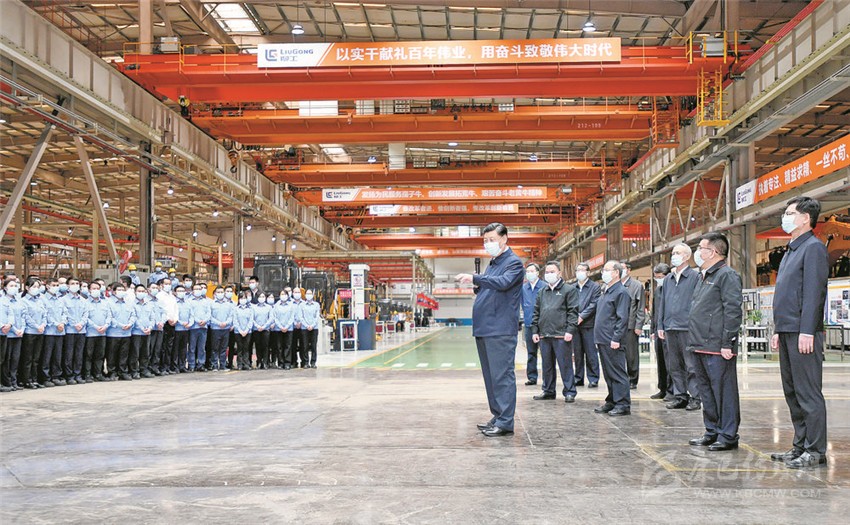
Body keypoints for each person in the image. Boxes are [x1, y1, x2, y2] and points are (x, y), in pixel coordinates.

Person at [770, 196, 829, 468]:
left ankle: (815, 450)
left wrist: (808, 331)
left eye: (790, 213)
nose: (785, 217)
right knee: (792, 392)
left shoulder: (813, 248)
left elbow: (814, 293)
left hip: (803, 333)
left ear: (806, 218)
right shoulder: (791, 250)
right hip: (787, 329)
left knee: (808, 393)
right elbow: (785, 294)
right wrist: (778, 328)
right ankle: (800, 445)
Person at [455, 222, 524, 437]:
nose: (488, 244)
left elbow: (503, 283)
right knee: (491, 377)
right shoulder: (493, 263)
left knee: (502, 376)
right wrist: (480, 286)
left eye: (492, 239)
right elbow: (492, 286)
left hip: (500, 329)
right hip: (485, 328)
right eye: (485, 240)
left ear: (504, 238)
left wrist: (475, 278)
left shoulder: (513, 263)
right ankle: (498, 415)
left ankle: (505, 422)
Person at [687, 232, 743, 452]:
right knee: (706, 391)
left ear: (713, 252)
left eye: (701, 248)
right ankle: (711, 430)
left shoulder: (726, 275)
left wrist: (728, 342)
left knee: (723, 392)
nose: (698, 252)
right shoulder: (703, 276)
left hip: (717, 346)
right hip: (699, 343)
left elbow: (732, 310)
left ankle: (727, 435)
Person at [658, 243, 702, 411]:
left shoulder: (695, 277)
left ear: (687, 256)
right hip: (670, 327)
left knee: (691, 365)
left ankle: (695, 397)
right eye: (673, 253)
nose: (674, 256)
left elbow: (697, 302)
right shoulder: (668, 279)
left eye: (677, 253)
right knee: (674, 365)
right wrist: (660, 324)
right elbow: (663, 303)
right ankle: (680, 396)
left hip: (686, 327)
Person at [530, 261, 579, 403]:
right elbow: (536, 312)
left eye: (552, 272)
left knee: (565, 364)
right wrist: (535, 331)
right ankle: (548, 390)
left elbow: (573, 312)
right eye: (547, 272)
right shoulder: (542, 291)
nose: (549, 274)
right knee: (547, 365)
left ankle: (570, 391)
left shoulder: (568, 290)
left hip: (561, 335)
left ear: (559, 273)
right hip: (544, 334)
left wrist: (570, 330)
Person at [593, 261, 632, 416]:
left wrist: (616, 338)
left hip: (612, 340)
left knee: (617, 372)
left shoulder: (621, 292)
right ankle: (612, 400)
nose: (603, 273)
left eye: (607, 270)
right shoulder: (606, 290)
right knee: (608, 373)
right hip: (603, 338)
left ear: (616, 272)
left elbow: (622, 318)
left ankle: (623, 404)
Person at [573, 262, 601, 388]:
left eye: (582, 270)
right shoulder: (572, 287)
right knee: (577, 353)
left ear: (588, 273)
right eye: (578, 270)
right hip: (575, 325)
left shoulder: (594, 287)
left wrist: (582, 316)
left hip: (589, 324)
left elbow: (594, 304)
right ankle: (578, 377)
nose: (580, 272)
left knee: (591, 352)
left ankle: (593, 378)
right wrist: (574, 317)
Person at [619, 261, 646, 389]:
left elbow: (640, 307)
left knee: (631, 355)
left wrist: (638, 325)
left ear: (629, 270)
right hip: (617, 325)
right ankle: (620, 378)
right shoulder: (614, 285)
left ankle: (632, 379)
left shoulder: (636, 286)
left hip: (630, 325)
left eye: (622, 268)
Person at [650, 263, 673, 401]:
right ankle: (662, 388)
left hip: (668, 330)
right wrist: (653, 329)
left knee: (671, 362)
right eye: (656, 277)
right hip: (658, 331)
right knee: (661, 361)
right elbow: (654, 312)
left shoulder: (672, 289)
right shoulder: (658, 290)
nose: (658, 280)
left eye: (660, 277)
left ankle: (672, 390)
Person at [520, 262, 545, 386]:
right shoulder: (523, 288)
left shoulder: (544, 286)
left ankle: (547, 378)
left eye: (532, 271)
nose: (529, 273)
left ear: (537, 273)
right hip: (529, 325)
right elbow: (523, 304)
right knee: (531, 353)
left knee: (546, 354)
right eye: (528, 271)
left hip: (543, 326)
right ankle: (532, 377)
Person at [106, 282, 136, 381]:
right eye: (119, 290)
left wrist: (130, 324)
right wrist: (120, 325)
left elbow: (133, 315)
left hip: (126, 333)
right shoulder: (108, 302)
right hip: (113, 333)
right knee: (112, 354)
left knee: (124, 354)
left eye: (123, 290)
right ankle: (112, 372)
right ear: (114, 292)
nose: (121, 292)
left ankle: (123, 371)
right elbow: (109, 316)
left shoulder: (128, 302)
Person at [21, 277, 47, 389]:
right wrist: (37, 326)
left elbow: (45, 314)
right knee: (28, 358)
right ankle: (26, 380)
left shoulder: (39, 301)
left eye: (38, 287)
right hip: (29, 332)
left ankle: (34, 379)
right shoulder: (23, 301)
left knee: (36, 358)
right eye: (34, 286)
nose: (36, 289)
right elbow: (26, 316)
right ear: (27, 288)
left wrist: (43, 325)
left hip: (40, 332)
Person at [62, 277, 88, 385]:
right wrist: (74, 324)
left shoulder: (83, 300)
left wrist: (81, 323)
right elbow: (65, 314)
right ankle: (69, 375)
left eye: (77, 283)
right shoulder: (63, 300)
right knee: (69, 354)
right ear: (68, 286)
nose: (75, 285)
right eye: (72, 283)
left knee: (79, 354)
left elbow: (86, 314)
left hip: (81, 331)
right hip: (69, 330)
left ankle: (78, 374)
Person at [42, 278, 68, 386]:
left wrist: (62, 323)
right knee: (47, 356)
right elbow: (46, 314)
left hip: (60, 331)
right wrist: (56, 324)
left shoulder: (60, 299)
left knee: (58, 355)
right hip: (49, 331)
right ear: (47, 286)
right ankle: (45, 377)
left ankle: (56, 376)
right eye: (54, 285)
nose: (56, 287)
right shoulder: (43, 299)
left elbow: (65, 313)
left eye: (57, 285)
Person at [84, 281, 110, 382]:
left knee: (100, 355)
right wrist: (95, 326)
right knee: (88, 355)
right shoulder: (85, 302)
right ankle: (87, 374)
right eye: (93, 289)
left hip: (102, 333)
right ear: (89, 290)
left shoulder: (105, 303)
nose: (96, 290)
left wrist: (105, 326)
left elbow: (109, 316)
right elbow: (85, 317)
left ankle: (98, 374)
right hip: (90, 333)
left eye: (97, 289)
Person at [1, 278, 25, 391]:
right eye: (11, 286)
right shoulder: (3, 301)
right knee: (6, 359)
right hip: (7, 333)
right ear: (5, 288)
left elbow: (22, 316)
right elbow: (6, 317)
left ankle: (14, 381)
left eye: (15, 285)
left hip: (18, 334)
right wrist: (13, 328)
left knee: (15, 359)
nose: (14, 288)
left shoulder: (19, 301)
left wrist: (21, 329)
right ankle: (7, 382)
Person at [209, 285, 234, 371]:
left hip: (225, 329)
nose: (220, 294)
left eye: (222, 292)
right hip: (215, 329)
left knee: (224, 348)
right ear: (215, 293)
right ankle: (214, 365)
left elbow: (231, 316)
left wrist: (226, 323)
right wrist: (218, 323)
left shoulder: (228, 304)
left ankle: (223, 365)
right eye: (218, 292)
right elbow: (210, 316)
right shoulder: (211, 304)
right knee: (215, 348)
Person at [188, 282, 211, 372]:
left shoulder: (205, 301)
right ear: (192, 291)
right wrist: (198, 321)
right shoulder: (189, 301)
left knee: (202, 347)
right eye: (196, 289)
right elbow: (191, 313)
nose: (198, 291)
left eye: (199, 289)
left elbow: (208, 313)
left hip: (203, 327)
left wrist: (205, 321)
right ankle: (191, 365)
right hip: (193, 327)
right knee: (192, 347)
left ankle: (201, 364)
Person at [146, 282, 166, 376]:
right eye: (153, 288)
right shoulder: (145, 301)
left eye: (156, 288)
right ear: (148, 289)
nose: (155, 290)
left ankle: (155, 367)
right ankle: (147, 368)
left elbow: (164, 313)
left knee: (157, 349)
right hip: (150, 329)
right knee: (149, 349)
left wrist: (162, 322)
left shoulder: (160, 301)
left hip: (159, 328)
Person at [273, 289, 295, 370]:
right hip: (278, 329)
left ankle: (287, 363)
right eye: (282, 294)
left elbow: (292, 317)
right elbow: (275, 317)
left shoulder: (291, 305)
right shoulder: (276, 305)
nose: (283, 296)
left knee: (288, 346)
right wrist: (280, 326)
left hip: (288, 329)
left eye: (285, 294)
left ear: (287, 296)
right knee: (279, 346)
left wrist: (287, 326)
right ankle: (280, 363)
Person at [300, 289, 322, 368]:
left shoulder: (316, 305)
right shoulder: (302, 305)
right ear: (305, 295)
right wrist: (306, 325)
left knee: (313, 346)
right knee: (305, 346)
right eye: (307, 293)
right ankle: (306, 362)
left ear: (312, 295)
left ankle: (313, 362)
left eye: (310, 293)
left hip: (314, 328)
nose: (309, 295)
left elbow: (317, 316)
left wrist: (312, 325)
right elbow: (301, 317)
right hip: (304, 328)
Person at [232, 291, 254, 371]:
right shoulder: (236, 309)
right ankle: (239, 364)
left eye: (244, 298)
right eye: (241, 298)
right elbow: (235, 321)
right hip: (238, 332)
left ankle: (246, 364)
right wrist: (240, 330)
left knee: (246, 348)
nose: (243, 300)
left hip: (248, 332)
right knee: (239, 348)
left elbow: (251, 320)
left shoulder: (250, 309)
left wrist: (247, 330)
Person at [173, 284, 193, 372]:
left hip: (186, 329)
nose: (181, 293)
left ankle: (182, 366)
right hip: (177, 328)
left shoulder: (188, 302)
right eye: (179, 291)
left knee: (184, 348)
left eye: (182, 291)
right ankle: (175, 366)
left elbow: (191, 314)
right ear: (175, 292)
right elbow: (174, 315)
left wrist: (190, 323)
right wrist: (182, 323)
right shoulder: (174, 303)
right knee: (175, 348)